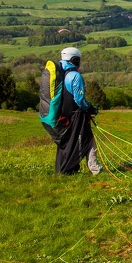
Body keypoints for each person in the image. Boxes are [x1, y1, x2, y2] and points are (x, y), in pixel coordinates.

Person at [55, 47, 102, 175]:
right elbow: (79, 99)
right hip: (77, 115)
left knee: (72, 140)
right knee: (88, 139)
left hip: (66, 115)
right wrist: (91, 108)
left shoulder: (62, 74)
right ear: (74, 59)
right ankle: (95, 168)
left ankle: (69, 168)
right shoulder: (75, 76)